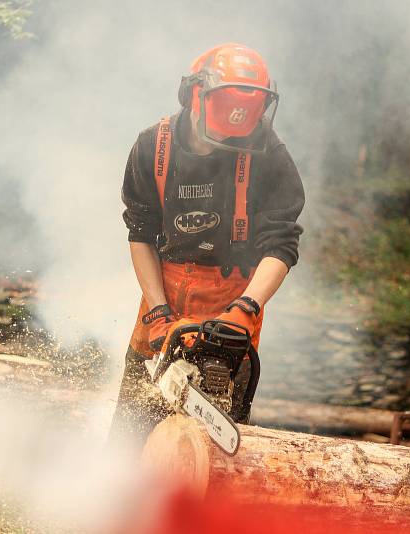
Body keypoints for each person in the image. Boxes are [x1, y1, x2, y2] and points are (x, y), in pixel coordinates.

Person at [109, 43, 305, 442]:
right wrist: (157, 313)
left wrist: (247, 309)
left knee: (214, 452)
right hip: (164, 291)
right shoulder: (153, 146)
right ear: (194, 97)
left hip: (234, 297)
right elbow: (141, 233)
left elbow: (281, 244)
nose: (227, 143)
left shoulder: (269, 152)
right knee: (131, 435)